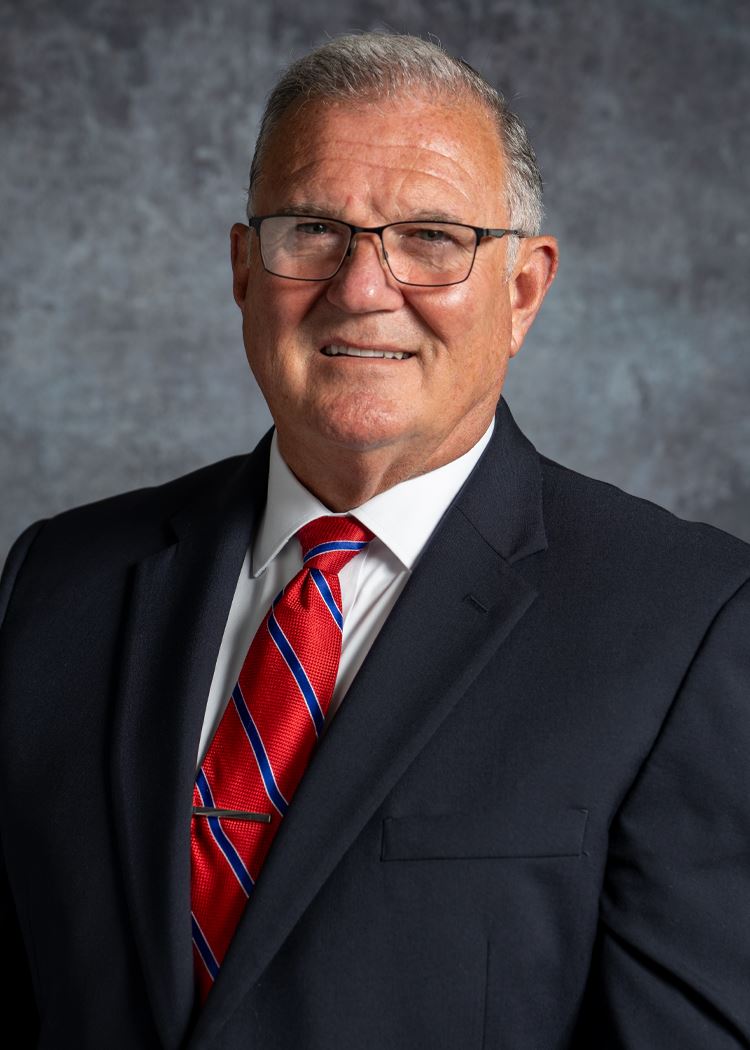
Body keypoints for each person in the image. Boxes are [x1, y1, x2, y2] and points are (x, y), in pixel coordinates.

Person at [1, 30, 748, 1050]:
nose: (361, 287)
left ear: (522, 290)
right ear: (241, 268)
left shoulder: (685, 621)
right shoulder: (58, 584)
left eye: (433, 237)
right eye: (313, 229)